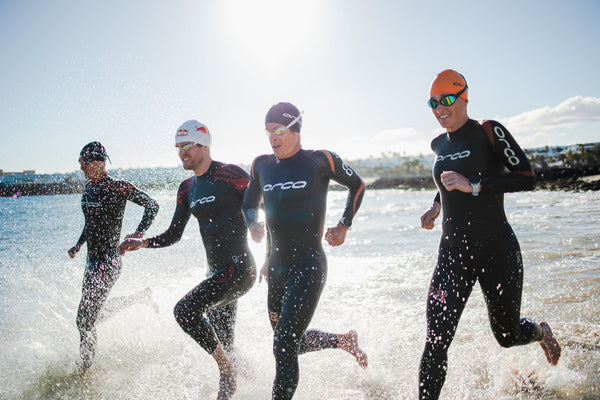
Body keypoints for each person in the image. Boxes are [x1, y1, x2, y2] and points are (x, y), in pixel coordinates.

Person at [418, 69, 561, 399]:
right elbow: (450, 182)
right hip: (453, 253)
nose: (440, 109)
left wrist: (476, 187)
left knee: (507, 335)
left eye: (447, 100)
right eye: (433, 103)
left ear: (464, 96)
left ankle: (541, 331)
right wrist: (437, 205)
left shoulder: (488, 132)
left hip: (496, 250)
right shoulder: (438, 143)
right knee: (436, 339)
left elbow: (527, 177)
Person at [119, 120, 256, 400]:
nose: (182, 152)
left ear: (204, 146)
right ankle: (255, 381)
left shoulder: (231, 174)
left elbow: (265, 203)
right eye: (178, 147)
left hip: (240, 269)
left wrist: (269, 248)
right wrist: (143, 242)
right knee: (226, 345)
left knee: (184, 311)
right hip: (216, 274)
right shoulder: (186, 188)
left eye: (187, 146)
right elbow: (173, 235)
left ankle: (226, 369)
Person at [241, 102, 369, 399]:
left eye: (279, 130)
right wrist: (252, 226)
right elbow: (251, 205)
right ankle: (343, 340)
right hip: (276, 268)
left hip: (308, 265)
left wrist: (343, 225)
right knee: (288, 342)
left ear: (296, 129)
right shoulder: (261, 165)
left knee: (284, 343)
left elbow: (357, 184)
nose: (273, 137)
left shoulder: (319, 160)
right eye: (268, 131)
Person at [68, 141, 159, 371]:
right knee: (90, 315)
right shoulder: (88, 189)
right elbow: (91, 223)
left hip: (108, 261)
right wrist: (79, 245)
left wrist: (140, 232)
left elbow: (152, 205)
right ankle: (139, 298)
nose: (82, 167)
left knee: (84, 319)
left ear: (99, 162)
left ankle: (85, 370)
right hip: (91, 262)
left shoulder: (117, 187)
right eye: (80, 162)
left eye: (85, 162)